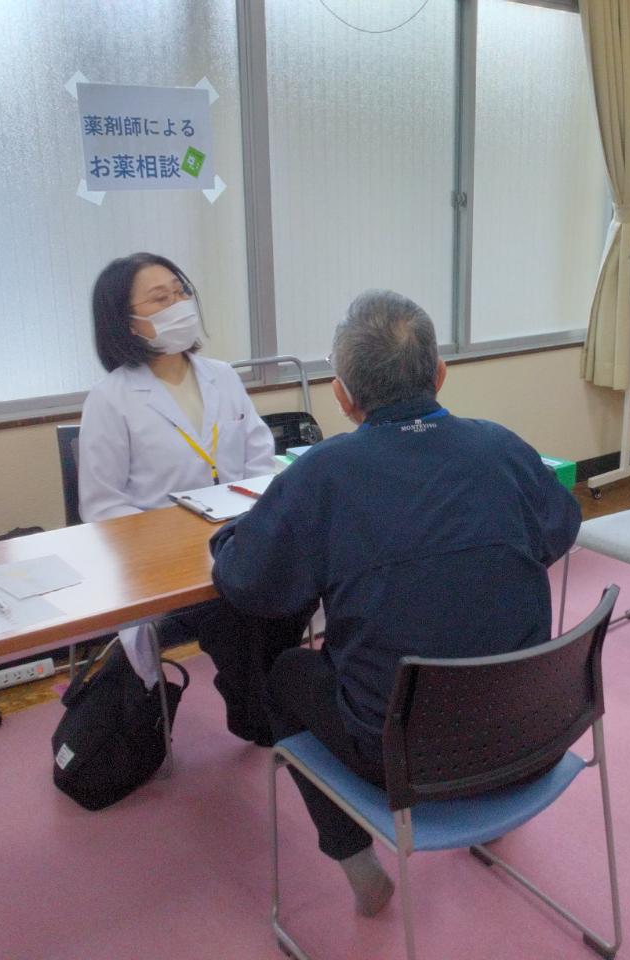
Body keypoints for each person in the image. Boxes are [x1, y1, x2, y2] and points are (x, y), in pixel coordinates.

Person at [209, 289, 581, 916]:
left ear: (341, 395)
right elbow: (559, 527)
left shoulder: (323, 473)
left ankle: (355, 859)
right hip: (534, 734)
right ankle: (490, 818)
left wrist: (231, 539)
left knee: (287, 673)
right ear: (440, 374)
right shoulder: (502, 449)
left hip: (403, 759)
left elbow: (251, 584)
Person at [79, 252, 304, 742]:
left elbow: (260, 459)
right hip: (166, 563)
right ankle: (257, 712)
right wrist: (180, 539)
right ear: (127, 322)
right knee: (237, 610)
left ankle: (281, 696)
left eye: (180, 292)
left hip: (240, 538)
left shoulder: (222, 376)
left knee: (301, 583)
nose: (178, 304)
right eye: (160, 298)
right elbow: (102, 507)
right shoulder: (110, 399)